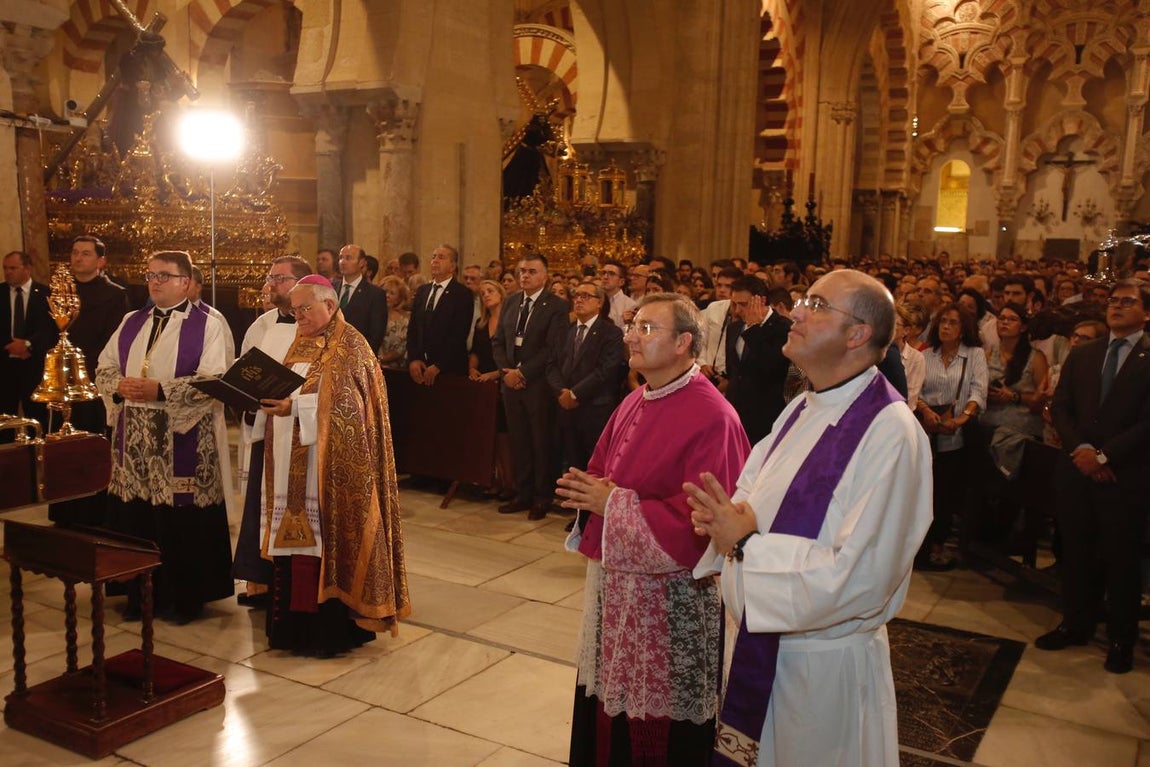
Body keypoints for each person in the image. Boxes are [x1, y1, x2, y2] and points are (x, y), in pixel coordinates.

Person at [687, 270, 932, 767]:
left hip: (821, 671)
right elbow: (753, 492)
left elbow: (864, 574)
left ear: (858, 333)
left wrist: (747, 544)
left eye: (816, 305)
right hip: (764, 648)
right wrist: (725, 520)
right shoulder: (801, 406)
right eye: (802, 301)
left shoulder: (891, 432)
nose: (795, 312)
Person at [557, 292, 751, 766]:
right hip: (618, 593)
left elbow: (703, 525)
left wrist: (611, 503)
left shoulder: (713, 416)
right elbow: (607, 473)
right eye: (632, 326)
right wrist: (594, 492)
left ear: (685, 342)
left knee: (657, 725)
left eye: (646, 328)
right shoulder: (636, 398)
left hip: (669, 604)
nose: (630, 336)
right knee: (609, 704)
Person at [258, 275, 411, 656]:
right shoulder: (299, 340)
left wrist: (295, 408)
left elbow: (348, 405)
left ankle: (330, 631)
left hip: (331, 468)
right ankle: (291, 630)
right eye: (294, 310)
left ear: (329, 304)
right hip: (291, 461)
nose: (299, 317)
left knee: (330, 538)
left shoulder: (352, 345)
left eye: (305, 308)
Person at [95, 250, 234, 623]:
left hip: (182, 437)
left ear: (185, 282)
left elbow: (215, 379)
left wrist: (160, 390)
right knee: (137, 519)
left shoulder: (209, 324)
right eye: (151, 275)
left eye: (164, 275)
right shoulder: (131, 320)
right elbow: (104, 366)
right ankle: (140, 596)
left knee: (179, 522)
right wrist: (118, 385)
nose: (154, 282)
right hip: (135, 442)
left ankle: (184, 599)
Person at [1038, 279, 1150, 674]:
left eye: (1128, 302)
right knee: (1077, 551)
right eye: (1114, 301)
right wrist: (1082, 452)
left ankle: (1121, 638)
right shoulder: (1084, 354)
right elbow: (1062, 406)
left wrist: (1104, 457)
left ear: (1146, 313)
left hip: (1125, 476)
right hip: (1077, 470)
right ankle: (1075, 622)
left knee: (1121, 559)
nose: (1117, 307)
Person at [233, 255, 311, 606]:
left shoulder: (315, 324)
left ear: (300, 283)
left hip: (299, 434)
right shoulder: (262, 324)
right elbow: (243, 365)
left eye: (279, 278)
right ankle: (259, 581)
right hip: (265, 428)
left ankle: (291, 588)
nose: (271, 284)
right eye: (270, 276)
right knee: (258, 507)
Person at [50, 235, 130, 526]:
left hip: (93, 382)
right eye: (74, 252)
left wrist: (85, 369)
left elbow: (112, 343)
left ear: (101, 261)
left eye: (85, 253)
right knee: (61, 446)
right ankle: (63, 511)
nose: (78, 258)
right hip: (62, 381)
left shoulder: (114, 295)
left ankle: (94, 511)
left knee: (91, 446)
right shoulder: (58, 292)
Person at [493, 254, 569, 519]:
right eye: (522, 271)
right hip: (511, 383)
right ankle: (522, 493)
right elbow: (499, 341)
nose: (525, 276)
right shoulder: (512, 301)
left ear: (544, 276)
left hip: (537, 384)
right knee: (519, 440)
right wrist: (507, 372)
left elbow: (552, 349)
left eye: (532, 271)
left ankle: (541, 496)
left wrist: (523, 372)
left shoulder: (556, 306)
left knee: (540, 441)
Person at [914, 303, 988, 570]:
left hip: (956, 432)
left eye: (952, 322)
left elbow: (979, 390)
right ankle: (919, 547)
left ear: (963, 329)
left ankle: (938, 546)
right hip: (927, 427)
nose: (946, 327)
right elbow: (916, 390)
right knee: (923, 490)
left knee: (946, 493)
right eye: (943, 321)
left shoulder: (974, 355)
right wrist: (925, 411)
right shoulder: (926, 355)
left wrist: (963, 417)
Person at [546, 281, 623, 482]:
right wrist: (562, 391)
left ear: (599, 302)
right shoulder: (566, 330)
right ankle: (579, 511)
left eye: (586, 296)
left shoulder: (610, 332)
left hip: (594, 408)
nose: (579, 300)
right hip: (566, 407)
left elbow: (606, 370)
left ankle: (592, 512)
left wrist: (575, 393)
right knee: (574, 464)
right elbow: (552, 364)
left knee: (595, 466)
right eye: (576, 295)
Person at [724, 276, 792, 444]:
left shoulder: (784, 327)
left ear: (761, 300)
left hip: (766, 417)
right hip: (735, 415)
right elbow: (734, 371)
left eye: (744, 304)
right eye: (735, 304)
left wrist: (754, 330)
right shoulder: (734, 327)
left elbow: (772, 367)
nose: (738, 310)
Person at [1, 250, 54, 435]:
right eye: (5, 268)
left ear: (27, 269)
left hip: (34, 366)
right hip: (5, 367)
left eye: (13, 268)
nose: (8, 272)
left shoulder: (45, 294)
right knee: (5, 418)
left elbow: (50, 329)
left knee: (36, 416)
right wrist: (10, 345)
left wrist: (28, 345)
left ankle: (35, 455)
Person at [407, 244, 474, 383]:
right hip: (421, 367)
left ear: (452, 266)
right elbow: (413, 328)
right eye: (433, 257)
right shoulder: (422, 291)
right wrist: (413, 359)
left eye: (441, 257)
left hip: (449, 369)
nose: (435, 260)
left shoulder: (462, 294)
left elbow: (459, 333)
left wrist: (439, 365)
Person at [332, 244, 388, 352]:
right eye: (340, 258)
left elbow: (376, 334)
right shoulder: (331, 288)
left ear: (362, 263)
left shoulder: (375, 294)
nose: (343, 262)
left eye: (348, 258)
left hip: (359, 356)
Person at [378, 275, 411, 369]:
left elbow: (402, 348)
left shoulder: (405, 321)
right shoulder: (372, 315)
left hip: (396, 369)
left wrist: (381, 359)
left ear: (398, 298)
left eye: (392, 293)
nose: (387, 295)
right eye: (385, 292)